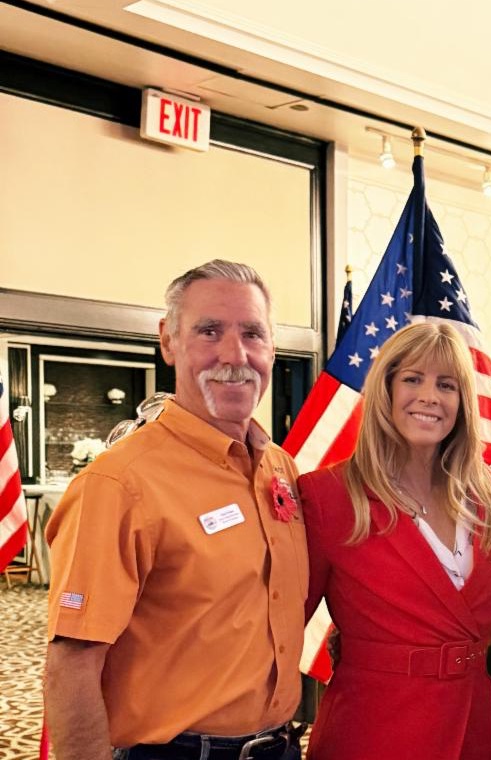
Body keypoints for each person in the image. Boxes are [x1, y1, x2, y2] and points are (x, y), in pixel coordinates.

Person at [44, 260, 307, 760]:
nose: (235, 354)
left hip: (280, 746)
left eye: (253, 333)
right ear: (168, 340)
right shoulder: (118, 484)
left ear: (272, 347)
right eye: (210, 331)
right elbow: (72, 664)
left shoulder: (281, 469)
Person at [300, 322, 491, 760]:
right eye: (413, 379)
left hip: (471, 728)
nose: (430, 396)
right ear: (386, 390)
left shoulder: (486, 491)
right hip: (376, 731)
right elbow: (284, 622)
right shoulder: (328, 495)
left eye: (446, 385)